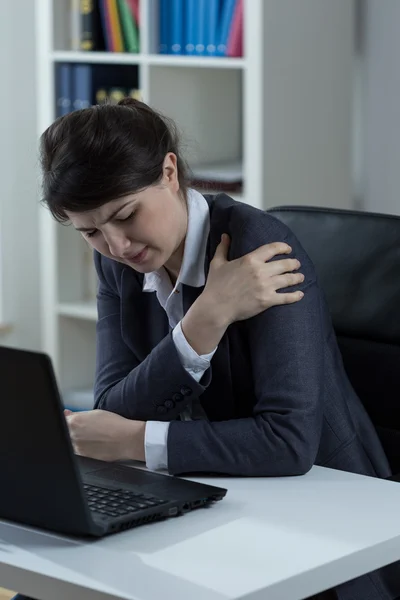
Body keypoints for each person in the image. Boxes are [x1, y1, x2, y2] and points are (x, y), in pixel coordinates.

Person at [12, 99, 398, 600]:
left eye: (126, 215)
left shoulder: (259, 247)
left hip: (320, 519)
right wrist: (205, 320)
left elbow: (288, 441)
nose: (118, 245)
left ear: (169, 171)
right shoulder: (116, 262)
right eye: (90, 231)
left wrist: (134, 441)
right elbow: (113, 403)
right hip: (203, 493)